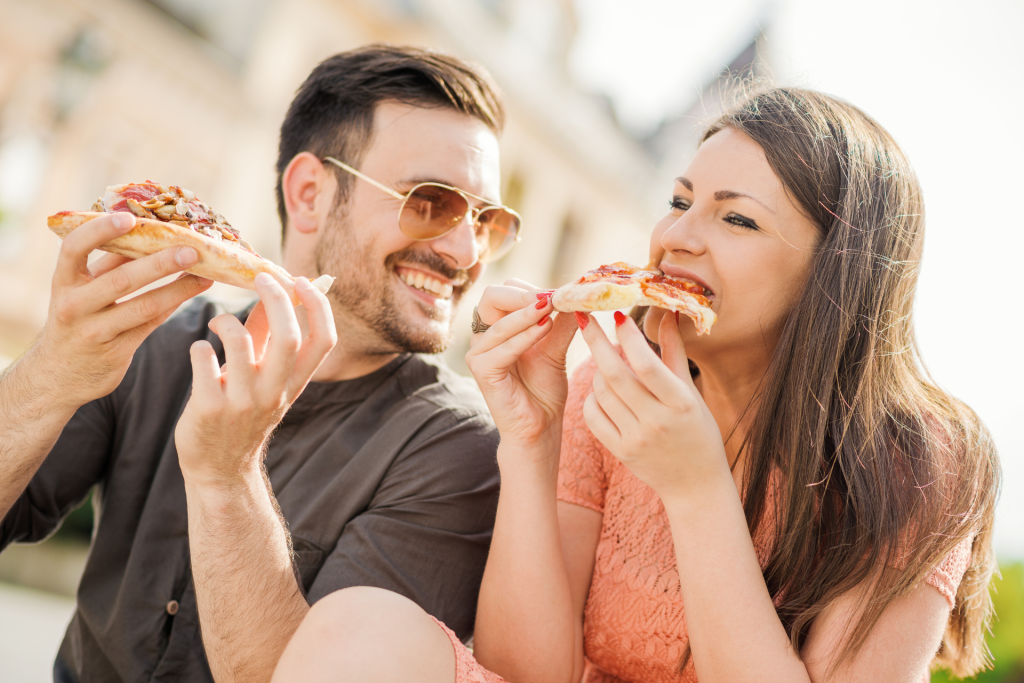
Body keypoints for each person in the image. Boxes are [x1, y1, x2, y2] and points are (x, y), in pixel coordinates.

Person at [269, 87, 999, 683]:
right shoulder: (608, 385)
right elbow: (524, 672)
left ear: (838, 272)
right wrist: (532, 439)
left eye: (737, 218)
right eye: (681, 202)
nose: (678, 236)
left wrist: (695, 486)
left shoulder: (923, 462)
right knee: (360, 623)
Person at [0, 44, 518, 682]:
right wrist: (52, 371)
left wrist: (228, 474)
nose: (466, 250)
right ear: (308, 194)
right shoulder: (158, 339)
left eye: (487, 220)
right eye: (430, 202)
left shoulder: (461, 451)